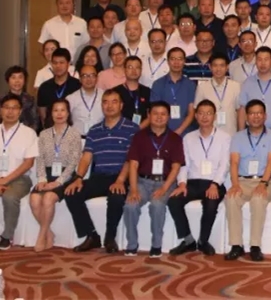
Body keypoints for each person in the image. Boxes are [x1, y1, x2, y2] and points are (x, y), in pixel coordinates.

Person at [65, 89, 138, 253]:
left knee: (116, 196)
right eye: (105, 102)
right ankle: (91, 236)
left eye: (114, 102)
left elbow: (131, 159)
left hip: (121, 177)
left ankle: (110, 238)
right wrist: (78, 178)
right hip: (99, 176)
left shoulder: (132, 128)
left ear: (121, 105)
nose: (109, 106)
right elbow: (86, 157)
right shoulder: (94, 130)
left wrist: (120, 180)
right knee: (71, 192)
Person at [167, 100, 231, 257]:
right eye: (201, 113)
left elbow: (225, 164)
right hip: (193, 182)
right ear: (195, 116)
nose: (205, 117)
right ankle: (188, 240)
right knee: (174, 201)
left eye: (209, 113)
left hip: (214, 182)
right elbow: (184, 164)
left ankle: (203, 241)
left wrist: (215, 184)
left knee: (211, 202)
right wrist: (182, 183)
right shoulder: (188, 138)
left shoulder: (225, 137)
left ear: (214, 116)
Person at [122, 101, 184, 257]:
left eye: (163, 114)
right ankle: (132, 244)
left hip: (165, 182)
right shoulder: (139, 137)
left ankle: (156, 245)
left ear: (168, 117)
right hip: (142, 182)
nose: (159, 117)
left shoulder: (175, 139)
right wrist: (133, 189)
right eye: (155, 113)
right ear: (148, 115)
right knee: (130, 205)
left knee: (157, 205)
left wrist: (164, 188)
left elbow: (176, 167)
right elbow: (133, 165)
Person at [224, 99, 271, 262]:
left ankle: (255, 246)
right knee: (231, 198)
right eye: (252, 113)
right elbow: (234, 162)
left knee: (258, 199)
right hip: (243, 181)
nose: (256, 116)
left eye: (259, 113)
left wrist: (263, 184)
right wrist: (235, 184)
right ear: (247, 116)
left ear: (265, 116)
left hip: (266, 181)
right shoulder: (238, 137)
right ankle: (236, 245)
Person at [29, 98, 82, 251]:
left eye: (62, 110)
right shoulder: (44, 134)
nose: (59, 114)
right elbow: (39, 159)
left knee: (48, 198)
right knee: (34, 199)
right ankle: (49, 233)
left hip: (66, 176)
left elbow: (73, 162)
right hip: (46, 174)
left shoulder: (74, 134)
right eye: (55, 110)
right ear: (51, 113)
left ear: (68, 113)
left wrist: (58, 182)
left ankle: (41, 236)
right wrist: (42, 179)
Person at [0, 95, 38, 249]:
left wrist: (5, 180)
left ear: (20, 111)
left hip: (19, 179)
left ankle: (6, 236)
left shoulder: (29, 133)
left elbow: (28, 163)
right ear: (1, 110)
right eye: (6, 107)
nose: (10, 112)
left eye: (14, 108)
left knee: (9, 197)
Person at [150, 48, 197, 134]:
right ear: (168, 61)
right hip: (162, 133)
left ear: (184, 61)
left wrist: (178, 132)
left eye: (180, 59)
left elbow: (191, 113)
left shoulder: (190, 85)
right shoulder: (158, 84)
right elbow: (155, 112)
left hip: (185, 133)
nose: (176, 62)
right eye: (173, 59)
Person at [195, 54, 240, 135]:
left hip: (231, 132)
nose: (218, 69)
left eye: (222, 65)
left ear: (227, 67)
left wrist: (240, 132)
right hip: (209, 134)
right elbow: (198, 112)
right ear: (210, 67)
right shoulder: (202, 87)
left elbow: (240, 111)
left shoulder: (236, 86)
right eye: (215, 65)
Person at [36, 48, 81, 121]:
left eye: (61, 63)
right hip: (50, 126)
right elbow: (43, 115)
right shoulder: (44, 87)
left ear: (68, 64)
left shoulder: (78, 85)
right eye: (55, 63)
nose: (58, 66)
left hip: (73, 126)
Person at [66, 65, 104, 135]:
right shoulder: (71, 98)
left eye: (92, 75)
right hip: (78, 138)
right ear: (80, 79)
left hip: (100, 137)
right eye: (85, 76)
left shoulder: (104, 96)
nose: (88, 79)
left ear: (97, 78)